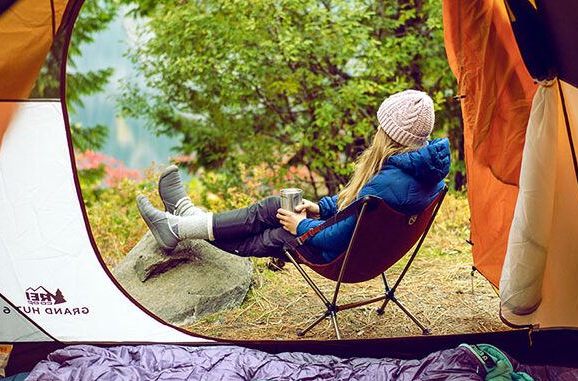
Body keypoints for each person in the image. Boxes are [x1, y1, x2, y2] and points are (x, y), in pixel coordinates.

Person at [136, 89, 451, 263]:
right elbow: (357, 211)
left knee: (273, 233)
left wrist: (300, 226)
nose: (377, 130)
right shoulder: (424, 174)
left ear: (390, 134)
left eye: (382, 125)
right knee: (273, 207)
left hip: (338, 257)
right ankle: (185, 220)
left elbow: (337, 236)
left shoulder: (388, 183)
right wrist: (320, 208)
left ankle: (181, 225)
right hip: (369, 254)